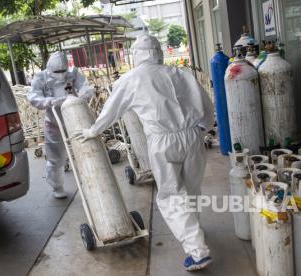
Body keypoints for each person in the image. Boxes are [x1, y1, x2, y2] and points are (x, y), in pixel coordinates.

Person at [73, 35, 214, 271]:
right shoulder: (181, 73)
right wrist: (204, 127)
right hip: (193, 136)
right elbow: (205, 103)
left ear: (136, 54)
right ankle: (194, 231)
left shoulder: (131, 79)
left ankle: (197, 250)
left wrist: (92, 131)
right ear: (158, 52)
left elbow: (111, 111)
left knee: (171, 196)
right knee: (191, 188)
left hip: (163, 141)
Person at [28, 51, 93, 199]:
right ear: (50, 68)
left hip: (75, 118)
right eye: (57, 71)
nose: (61, 74)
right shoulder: (41, 77)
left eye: (63, 71)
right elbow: (33, 96)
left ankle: (90, 180)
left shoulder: (73, 74)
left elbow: (85, 86)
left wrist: (84, 94)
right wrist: (49, 101)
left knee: (86, 150)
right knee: (56, 158)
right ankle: (57, 186)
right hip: (54, 121)